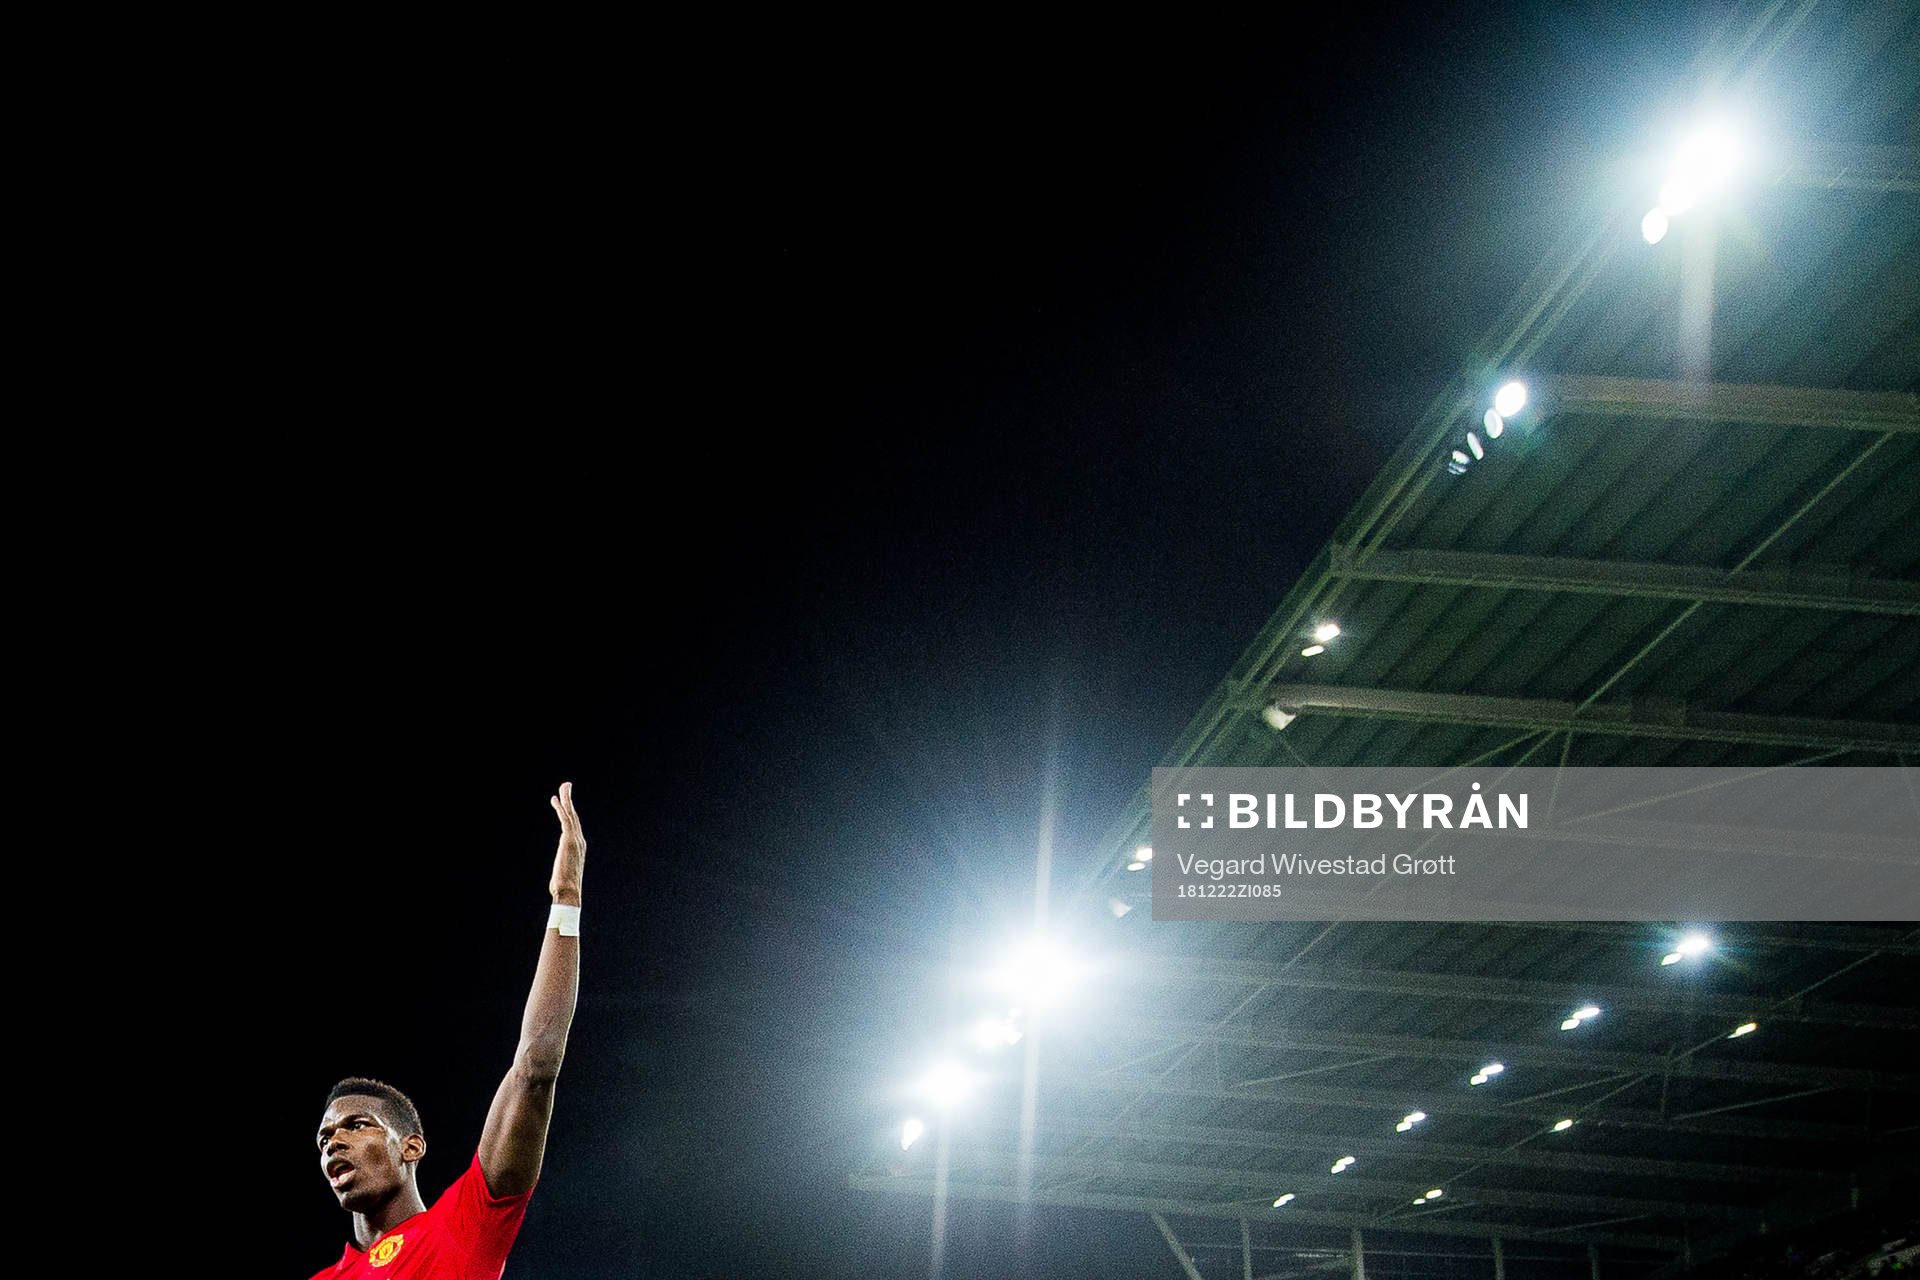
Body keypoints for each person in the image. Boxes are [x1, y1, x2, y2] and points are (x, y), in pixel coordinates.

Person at [308, 781, 586, 1278]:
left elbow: (535, 1065)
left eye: (357, 1125)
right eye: (324, 1137)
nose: (334, 1142)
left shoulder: (465, 1223)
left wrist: (566, 899)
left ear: (410, 1146)